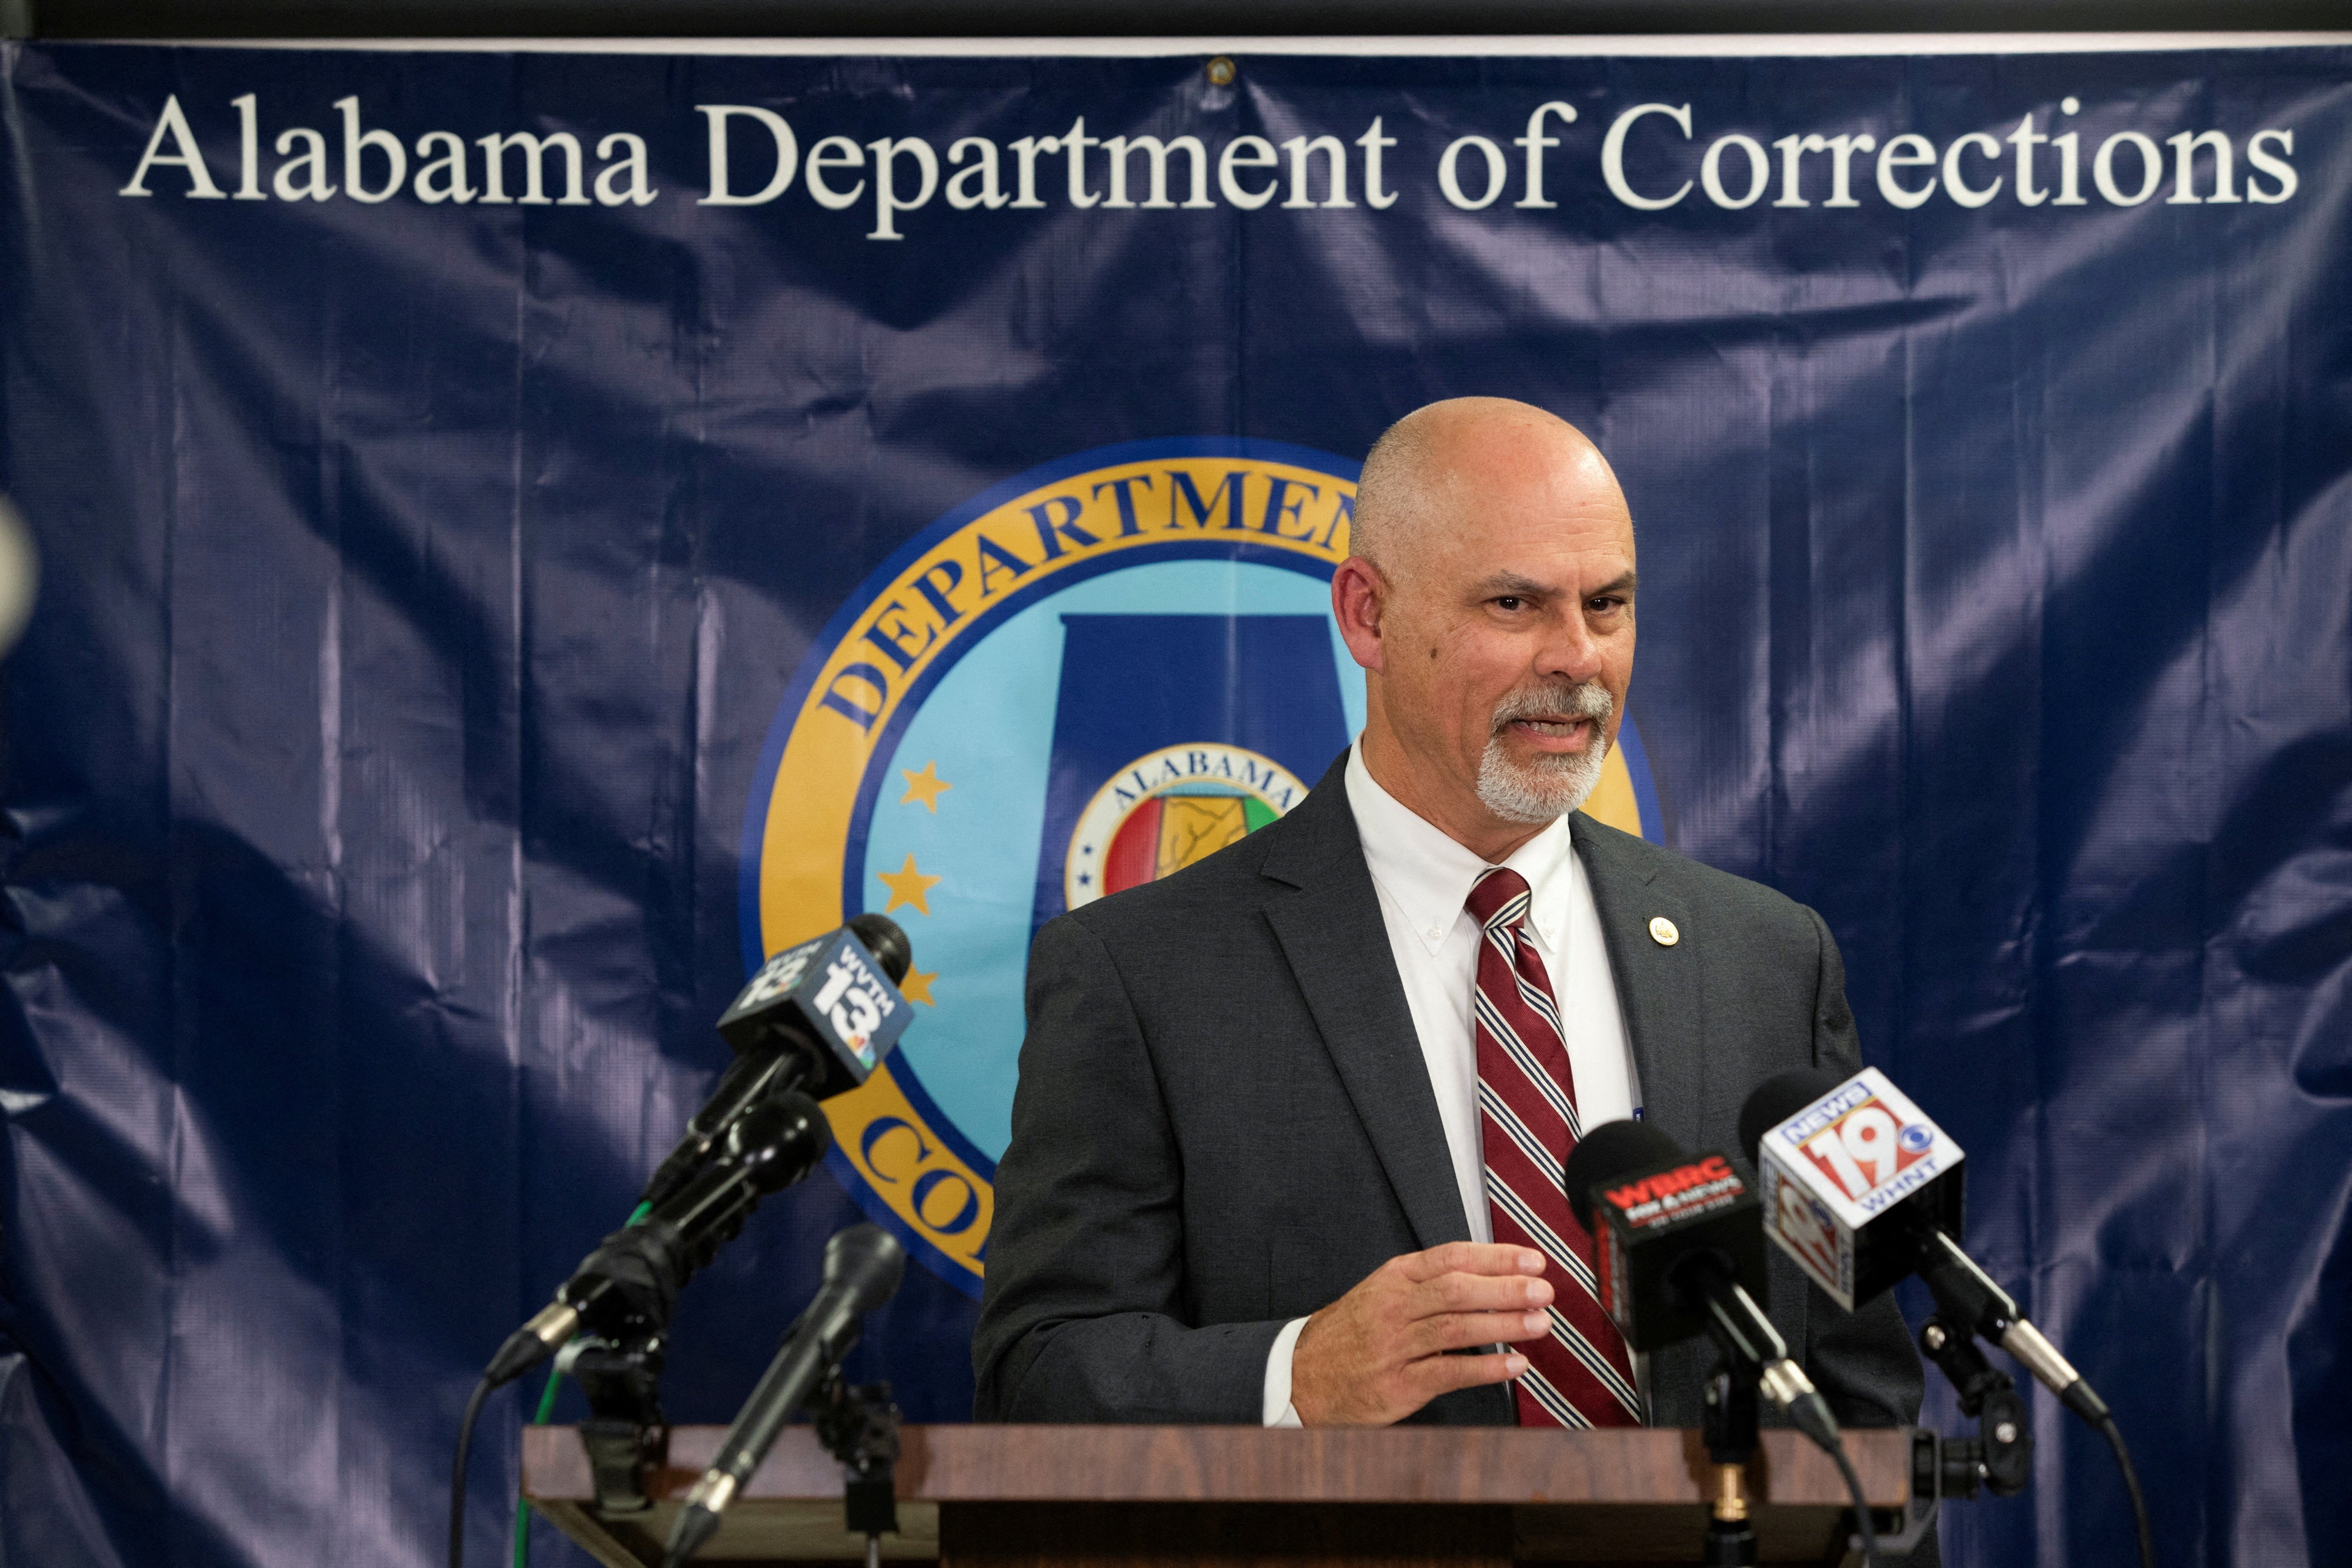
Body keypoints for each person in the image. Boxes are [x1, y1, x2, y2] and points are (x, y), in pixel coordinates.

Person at [974, 399, 1926, 1449]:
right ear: (1368, 616)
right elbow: (1041, 1371)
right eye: (1515, 604)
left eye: (1607, 605)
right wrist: (1300, 1371)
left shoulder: (1771, 961)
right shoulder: (1142, 974)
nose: (1577, 658)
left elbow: (1865, 1395)